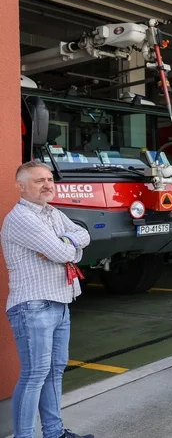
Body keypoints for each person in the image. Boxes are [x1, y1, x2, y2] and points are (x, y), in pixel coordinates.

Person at [2, 162, 94, 438]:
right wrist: (67, 246)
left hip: (59, 302)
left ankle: (54, 433)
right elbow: (60, 252)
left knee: (54, 373)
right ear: (20, 187)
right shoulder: (21, 218)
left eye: (49, 179)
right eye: (38, 181)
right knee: (34, 375)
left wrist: (66, 244)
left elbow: (85, 235)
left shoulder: (51, 212)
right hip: (32, 306)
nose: (47, 185)